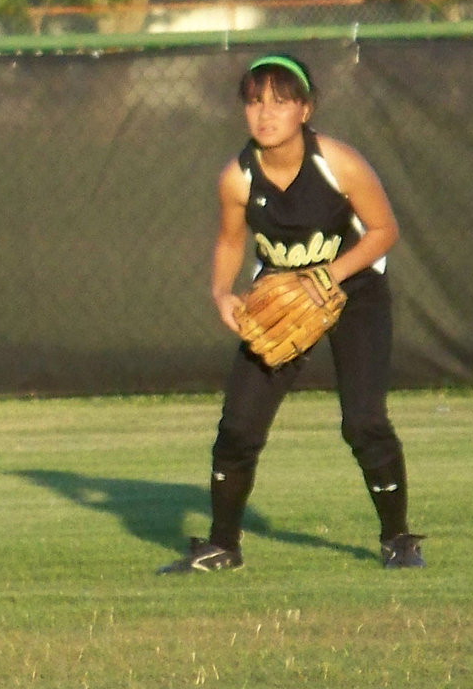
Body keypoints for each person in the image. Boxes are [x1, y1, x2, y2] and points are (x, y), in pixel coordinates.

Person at [158, 54, 424, 573]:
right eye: (255, 101)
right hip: (279, 298)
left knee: (364, 422)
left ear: (305, 108)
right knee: (238, 426)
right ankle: (222, 547)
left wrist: (330, 274)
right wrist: (221, 293)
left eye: (281, 100)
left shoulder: (338, 162)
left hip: (355, 292)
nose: (266, 112)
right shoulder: (237, 178)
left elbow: (384, 231)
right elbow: (230, 241)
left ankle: (398, 540)